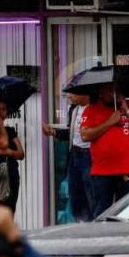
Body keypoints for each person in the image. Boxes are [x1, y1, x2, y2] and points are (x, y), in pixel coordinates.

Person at [81, 83, 129, 217]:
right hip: (102, 171)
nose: (114, 93)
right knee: (101, 213)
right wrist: (110, 122)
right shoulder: (91, 110)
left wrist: (127, 110)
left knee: (128, 212)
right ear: (100, 93)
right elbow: (85, 135)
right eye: (109, 90)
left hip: (128, 170)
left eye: (116, 89)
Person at [42, 92, 94, 222]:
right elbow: (71, 133)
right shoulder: (74, 109)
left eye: (73, 93)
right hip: (75, 155)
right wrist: (54, 132)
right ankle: (80, 223)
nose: (69, 96)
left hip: (89, 155)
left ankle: (91, 225)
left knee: (91, 195)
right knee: (75, 193)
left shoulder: (95, 109)